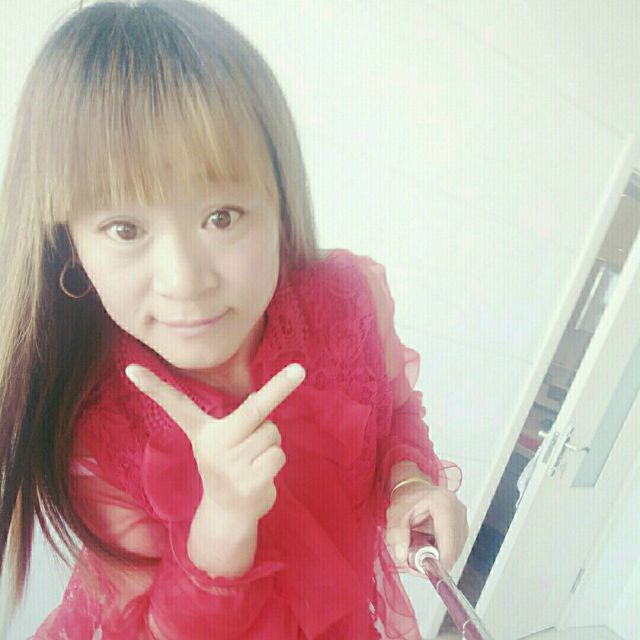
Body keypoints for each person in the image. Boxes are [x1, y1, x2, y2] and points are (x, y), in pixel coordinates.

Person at [0, 1, 468, 638]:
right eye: (125, 228)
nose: (184, 281)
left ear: (278, 200)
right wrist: (223, 519)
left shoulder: (347, 303)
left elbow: (394, 410)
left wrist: (409, 483)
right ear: (69, 246)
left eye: (221, 216)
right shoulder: (95, 422)